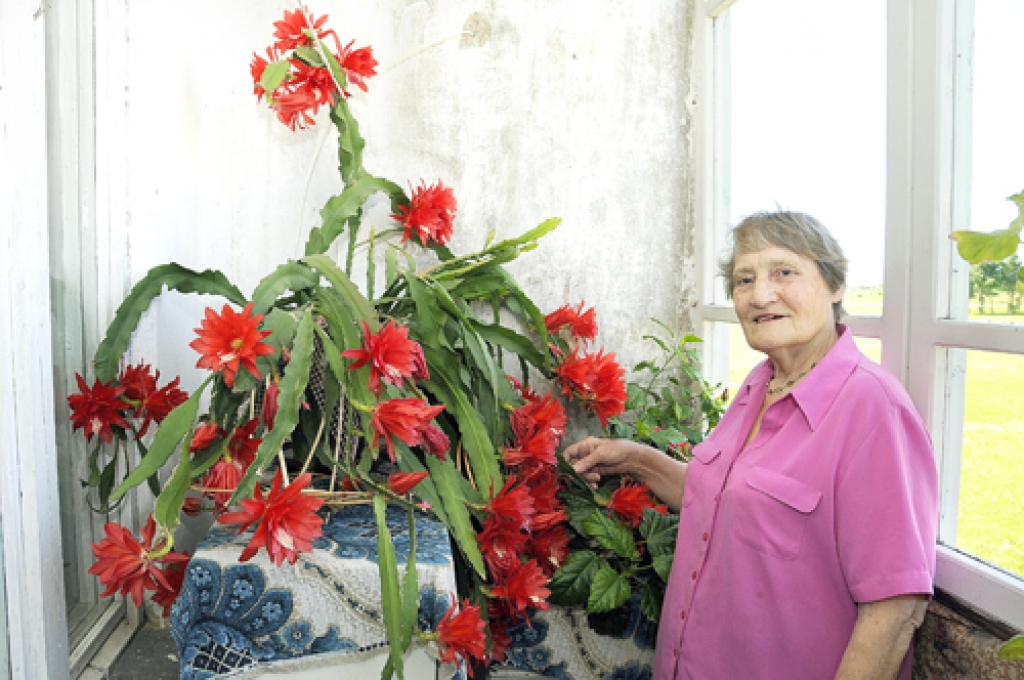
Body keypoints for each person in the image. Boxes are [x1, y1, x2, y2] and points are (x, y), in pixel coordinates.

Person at [565, 211, 938, 680]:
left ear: (835, 284)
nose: (761, 295)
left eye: (785, 272)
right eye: (744, 279)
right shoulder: (762, 384)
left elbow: (896, 608)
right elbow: (725, 496)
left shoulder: (872, 408)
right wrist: (637, 460)